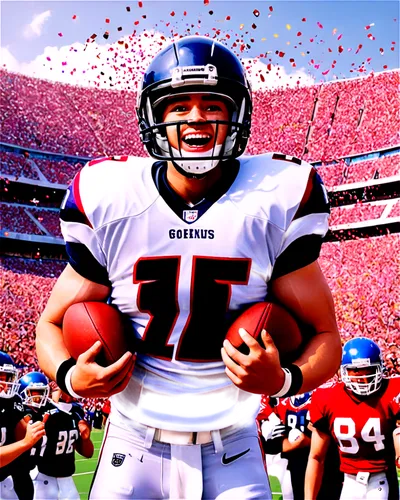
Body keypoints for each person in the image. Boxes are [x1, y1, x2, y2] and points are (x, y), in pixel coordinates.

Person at [36, 35, 341, 499]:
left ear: (235, 115)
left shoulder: (277, 197)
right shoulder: (110, 196)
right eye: (178, 105)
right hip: (133, 436)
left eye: (211, 105)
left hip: (233, 438)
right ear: (154, 117)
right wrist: (69, 377)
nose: (196, 117)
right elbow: (52, 323)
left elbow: (325, 336)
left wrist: (284, 380)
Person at [305, 337, 400, 500]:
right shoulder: (327, 397)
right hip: (349, 481)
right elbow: (316, 456)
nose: (362, 378)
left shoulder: (393, 391)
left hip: (383, 478)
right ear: (343, 370)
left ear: (380, 368)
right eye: (355, 371)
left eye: (369, 370)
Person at [19, 371, 94, 500]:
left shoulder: (76, 411)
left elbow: (88, 453)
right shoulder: (41, 410)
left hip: (68, 481)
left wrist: (85, 439)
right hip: (42, 478)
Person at [259, 392, 342, 500]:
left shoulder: (324, 393)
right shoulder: (273, 397)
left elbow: (320, 438)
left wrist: (300, 441)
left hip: (325, 463)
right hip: (292, 463)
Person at [0, 352, 46, 500]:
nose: (5, 384)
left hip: (6, 481)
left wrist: (31, 429)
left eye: (7, 377)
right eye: (0, 377)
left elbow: (19, 434)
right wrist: (26, 442)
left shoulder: (12, 401)